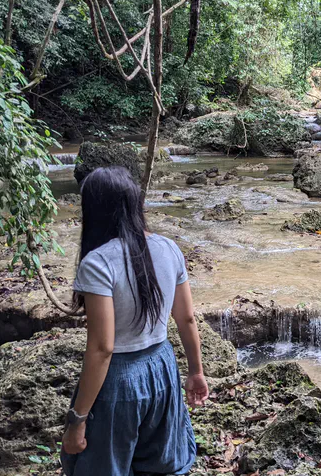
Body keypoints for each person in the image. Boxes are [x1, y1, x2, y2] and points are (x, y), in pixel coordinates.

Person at [60, 166, 208, 476]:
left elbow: (103, 348)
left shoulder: (98, 262)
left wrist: (77, 419)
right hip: (163, 368)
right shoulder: (169, 248)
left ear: (94, 209)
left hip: (118, 382)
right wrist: (196, 372)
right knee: (160, 465)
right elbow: (187, 319)